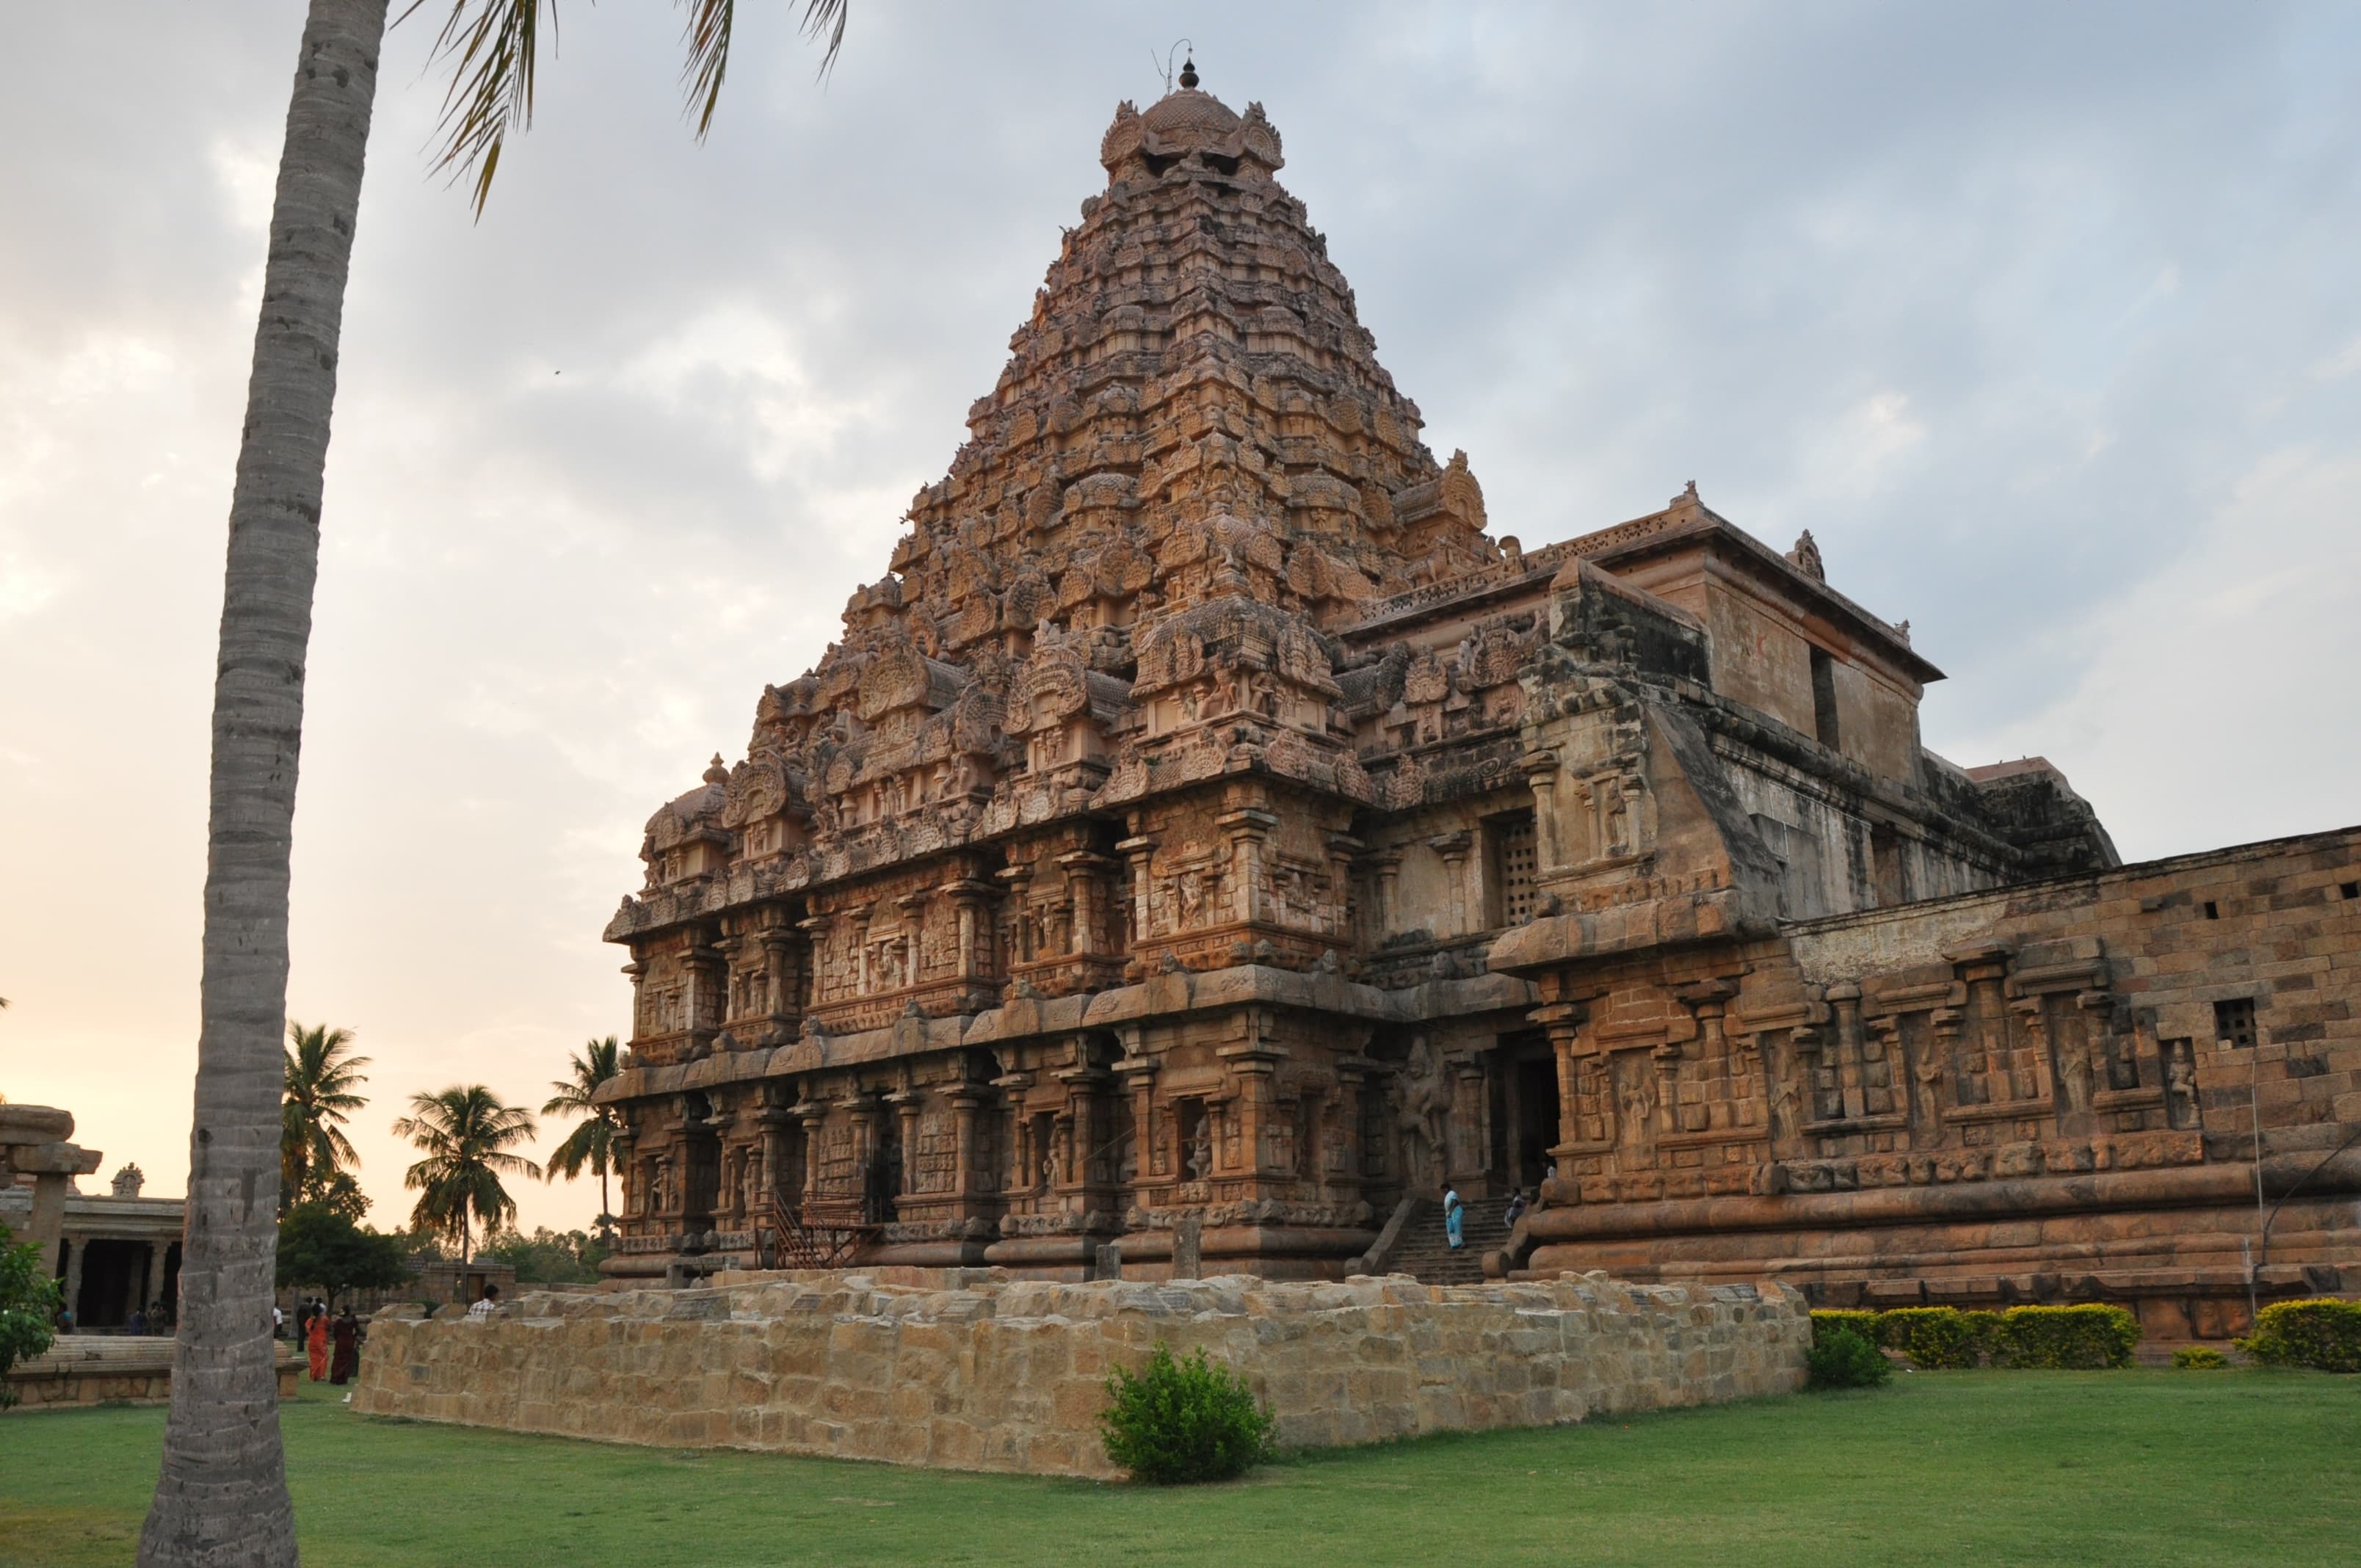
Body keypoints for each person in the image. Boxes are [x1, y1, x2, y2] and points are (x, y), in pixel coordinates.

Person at [328, 1306, 363, 1385]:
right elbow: (359, 1331)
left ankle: (335, 1378)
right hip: (349, 1342)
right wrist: (353, 1337)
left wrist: (338, 1338)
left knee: (337, 1360)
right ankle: (343, 1379)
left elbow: (335, 1333)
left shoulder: (339, 1322)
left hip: (340, 1342)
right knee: (347, 1361)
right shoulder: (353, 1320)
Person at [306, 1302, 330, 1382]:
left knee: (314, 1359)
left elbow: (307, 1328)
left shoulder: (311, 1320)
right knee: (324, 1357)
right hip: (321, 1342)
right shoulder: (324, 1319)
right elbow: (329, 1327)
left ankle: (313, 1376)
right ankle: (321, 1375)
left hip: (312, 1341)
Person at [1442, 1182, 1464, 1251]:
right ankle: (1454, 1244)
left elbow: (1455, 1202)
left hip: (1455, 1212)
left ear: (1446, 1188)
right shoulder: (1447, 1195)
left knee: (1457, 1228)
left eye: (1443, 1190)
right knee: (1451, 1229)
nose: (1442, 1192)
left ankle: (1459, 1243)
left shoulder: (1452, 1193)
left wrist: (1451, 1211)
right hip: (1450, 1214)